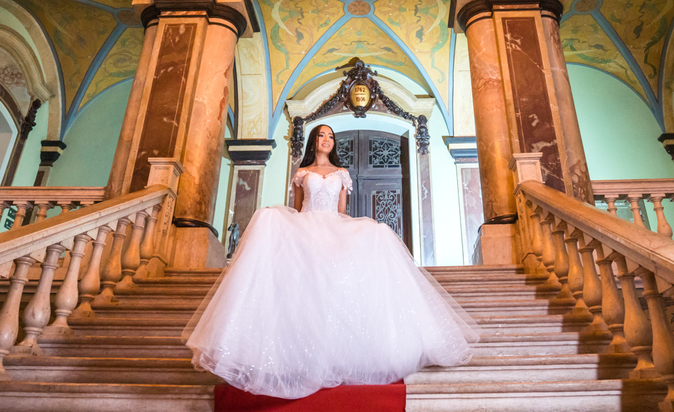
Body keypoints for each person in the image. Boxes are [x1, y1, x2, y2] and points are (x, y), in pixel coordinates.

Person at [183, 123, 480, 399]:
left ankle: (338, 354)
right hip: (305, 231)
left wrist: (345, 237)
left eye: (331, 137)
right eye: (322, 136)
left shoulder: (341, 173)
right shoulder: (302, 173)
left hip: (332, 230)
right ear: (314, 141)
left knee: (370, 244)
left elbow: (342, 212)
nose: (327, 140)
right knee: (279, 238)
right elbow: (297, 209)